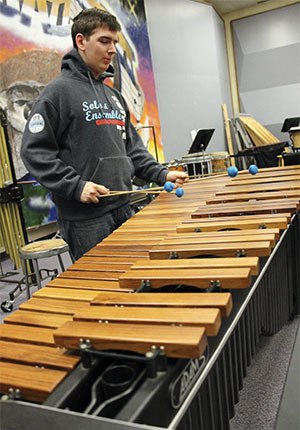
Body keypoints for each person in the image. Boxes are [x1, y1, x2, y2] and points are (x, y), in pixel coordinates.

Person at [21, 7, 188, 260]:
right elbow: (34, 152)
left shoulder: (114, 96)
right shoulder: (58, 93)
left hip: (122, 206)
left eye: (115, 43)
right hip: (85, 219)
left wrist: (161, 173)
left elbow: (132, 150)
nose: (112, 50)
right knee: (102, 291)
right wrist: (76, 186)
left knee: (134, 275)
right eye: (104, 41)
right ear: (81, 41)